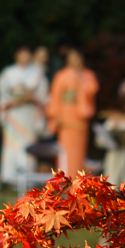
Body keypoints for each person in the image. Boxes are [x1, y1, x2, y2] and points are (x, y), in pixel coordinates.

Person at [0, 45, 49, 185]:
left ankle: (28, 178)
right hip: (14, 114)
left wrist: (30, 98)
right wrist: (14, 100)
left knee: (28, 146)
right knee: (12, 146)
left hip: (30, 114)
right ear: (17, 55)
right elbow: (2, 93)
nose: (24, 57)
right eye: (22, 54)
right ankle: (9, 178)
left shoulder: (37, 73)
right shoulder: (8, 72)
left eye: (27, 54)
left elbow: (43, 94)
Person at [46, 48, 98, 176]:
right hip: (65, 118)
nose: (76, 60)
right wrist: (55, 114)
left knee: (79, 153)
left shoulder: (87, 75)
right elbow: (56, 96)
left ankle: (78, 185)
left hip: (80, 118)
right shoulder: (61, 75)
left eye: (78, 57)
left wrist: (81, 81)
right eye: (73, 57)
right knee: (65, 152)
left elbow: (92, 90)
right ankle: (65, 182)